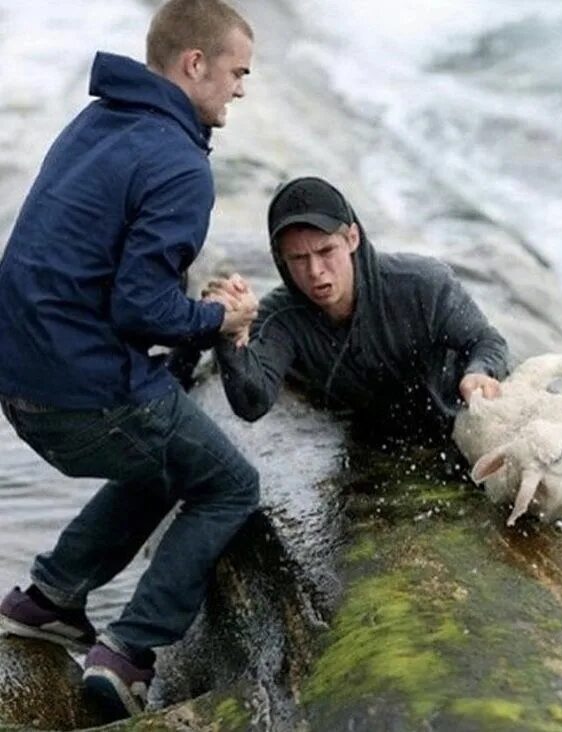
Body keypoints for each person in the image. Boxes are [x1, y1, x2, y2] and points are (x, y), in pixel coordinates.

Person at [0, 0, 259, 719]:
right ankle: (130, 653)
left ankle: (46, 599)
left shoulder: (96, 122)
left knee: (169, 455)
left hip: (20, 383)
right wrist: (220, 317)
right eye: (237, 72)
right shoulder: (179, 162)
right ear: (195, 64)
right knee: (230, 484)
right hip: (83, 392)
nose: (242, 88)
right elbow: (139, 309)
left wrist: (192, 313)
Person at [207, 176, 509, 447]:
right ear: (280, 259)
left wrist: (480, 372)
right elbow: (252, 403)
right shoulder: (280, 318)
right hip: (375, 442)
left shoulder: (422, 284)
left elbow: (487, 340)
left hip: (460, 425)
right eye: (298, 258)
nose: (315, 271)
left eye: (326, 251)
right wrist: (229, 333)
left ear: (352, 238)